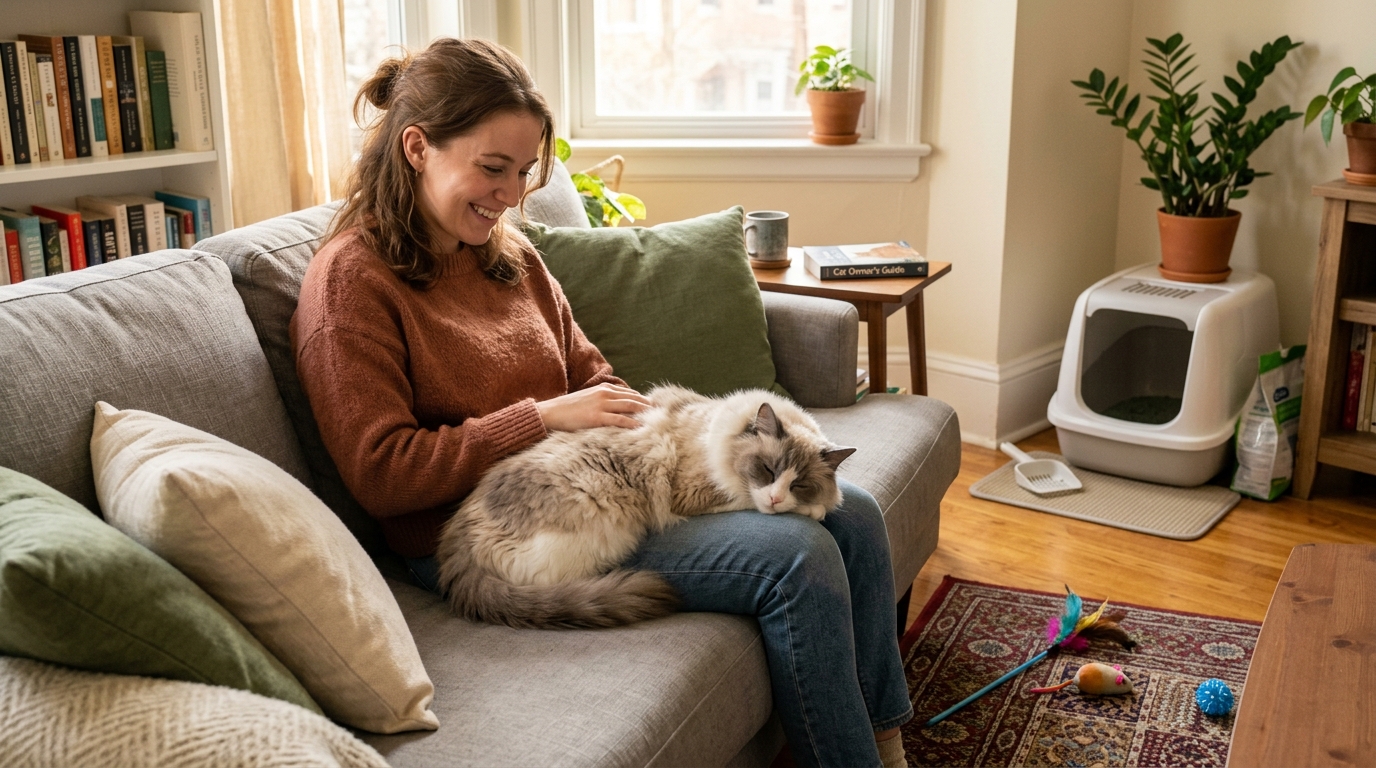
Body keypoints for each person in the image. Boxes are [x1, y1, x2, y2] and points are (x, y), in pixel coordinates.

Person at [290, 37, 912, 768]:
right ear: (418, 147)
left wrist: (642, 430)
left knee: (855, 511)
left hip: (599, 481)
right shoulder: (351, 283)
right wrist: (542, 419)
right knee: (797, 557)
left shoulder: (507, 254)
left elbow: (596, 377)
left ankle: (884, 734)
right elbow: (382, 474)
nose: (510, 195)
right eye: (492, 169)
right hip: (490, 531)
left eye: (523, 174)